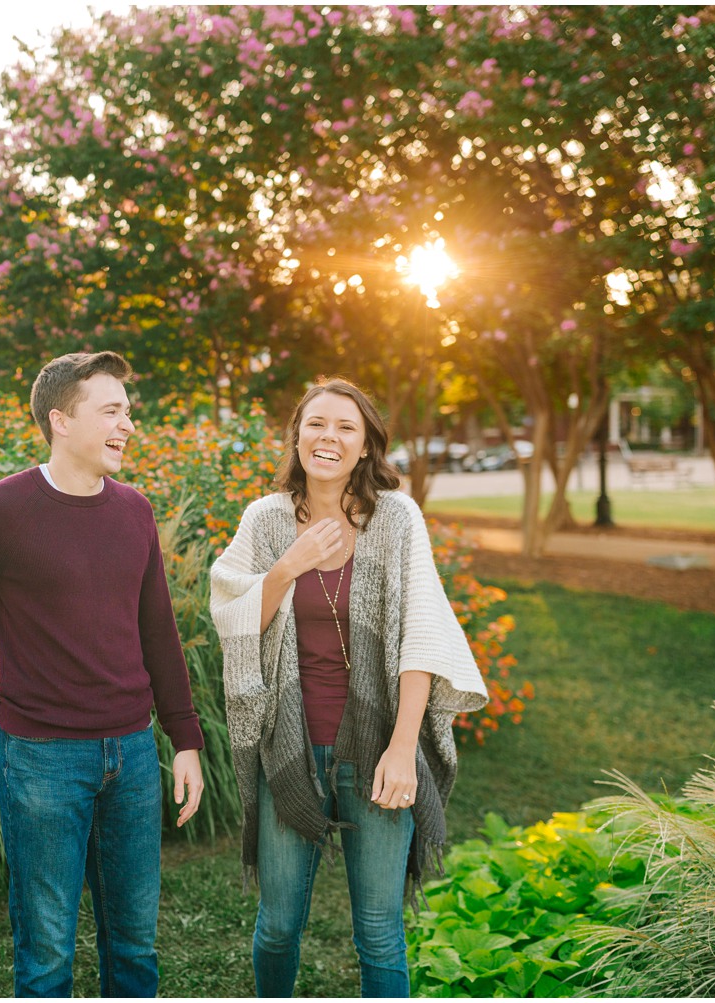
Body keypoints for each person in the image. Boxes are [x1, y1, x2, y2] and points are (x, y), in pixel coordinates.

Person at [0, 351, 205, 998]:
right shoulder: (3, 510)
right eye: (112, 410)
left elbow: (158, 634)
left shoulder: (135, 511)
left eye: (129, 411)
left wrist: (186, 740)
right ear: (61, 420)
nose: (128, 424)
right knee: (46, 956)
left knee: (135, 948)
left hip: (131, 752)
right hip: (41, 758)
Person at [208, 377, 487, 998]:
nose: (327, 437)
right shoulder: (266, 518)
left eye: (345, 428)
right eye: (316, 424)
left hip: (377, 751)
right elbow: (232, 616)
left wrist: (402, 746)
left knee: (381, 932)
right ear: (297, 436)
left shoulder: (396, 519)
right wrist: (288, 566)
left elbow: (423, 634)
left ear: (365, 447)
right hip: (289, 750)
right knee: (279, 927)